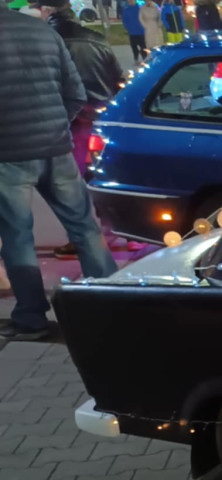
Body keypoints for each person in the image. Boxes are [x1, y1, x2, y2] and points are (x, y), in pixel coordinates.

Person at [0, 7, 119, 340]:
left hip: (9, 154)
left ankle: (31, 317)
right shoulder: (43, 31)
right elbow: (76, 93)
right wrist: (55, 127)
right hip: (57, 148)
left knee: (17, 237)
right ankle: (112, 302)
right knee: (85, 228)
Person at [31, 0, 126, 259]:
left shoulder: (49, 39)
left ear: (46, 11)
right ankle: (114, 232)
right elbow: (117, 78)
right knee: (103, 177)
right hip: (102, 116)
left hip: (69, 120)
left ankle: (82, 240)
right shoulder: (96, 38)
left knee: (68, 184)